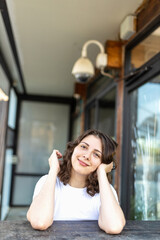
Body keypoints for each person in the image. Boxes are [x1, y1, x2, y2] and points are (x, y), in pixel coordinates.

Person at [27, 129, 126, 234]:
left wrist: (101, 173)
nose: (86, 156)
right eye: (83, 147)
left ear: (103, 163)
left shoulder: (106, 191)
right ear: (73, 149)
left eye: (96, 154)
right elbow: (39, 222)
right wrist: (53, 170)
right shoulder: (47, 181)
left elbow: (114, 226)